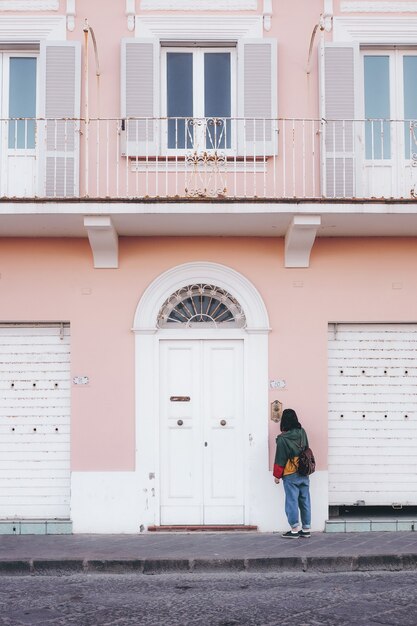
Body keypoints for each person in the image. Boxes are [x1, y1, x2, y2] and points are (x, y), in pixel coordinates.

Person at [273, 408, 311, 538]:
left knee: (292, 500)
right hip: (304, 470)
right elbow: (306, 448)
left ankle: (294, 529)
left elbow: (280, 458)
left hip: (290, 472)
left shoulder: (282, 439)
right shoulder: (302, 432)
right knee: (305, 500)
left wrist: (277, 476)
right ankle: (306, 529)